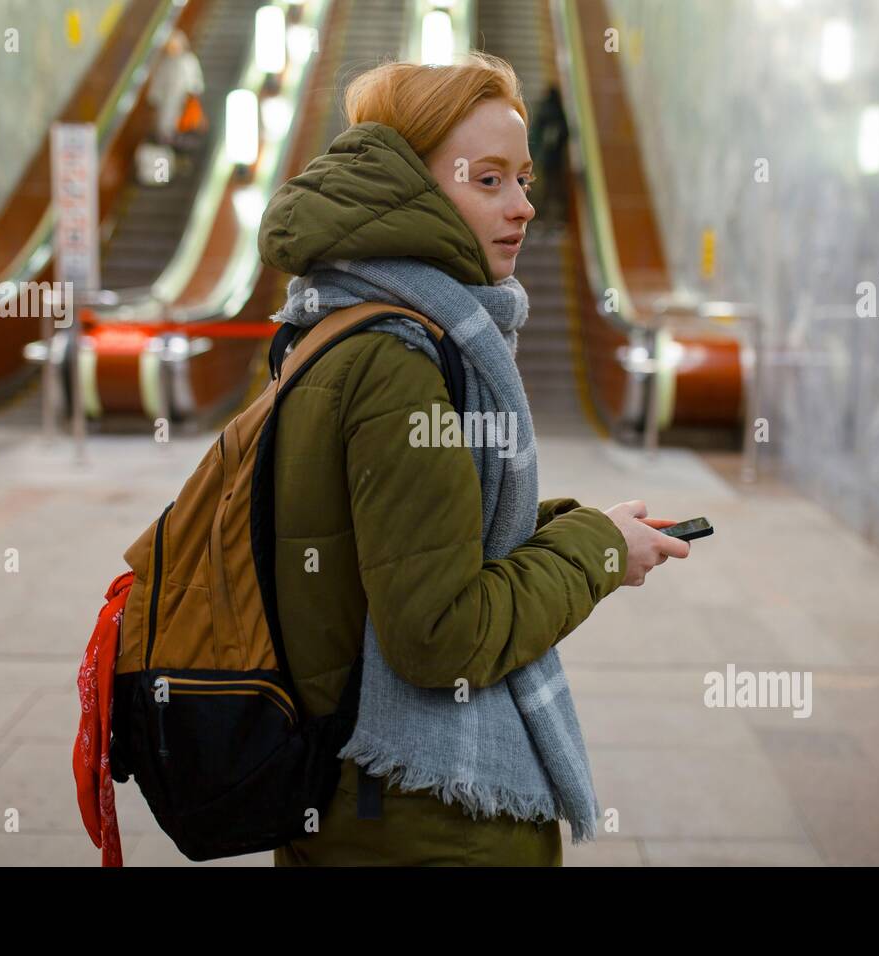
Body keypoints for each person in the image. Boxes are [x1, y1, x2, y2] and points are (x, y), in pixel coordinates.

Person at [256, 52, 688, 866]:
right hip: (425, 816)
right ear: (406, 186)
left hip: (361, 800)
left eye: (523, 178)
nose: (524, 206)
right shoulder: (402, 358)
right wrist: (596, 556)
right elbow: (437, 637)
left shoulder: (338, 317)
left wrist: (582, 528)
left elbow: (395, 545)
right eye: (487, 180)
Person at [145, 30, 204, 148]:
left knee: (169, 128)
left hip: (181, 107)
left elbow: (195, 86)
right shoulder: (165, 64)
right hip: (167, 107)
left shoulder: (189, 61)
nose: (172, 48)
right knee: (165, 127)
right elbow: (157, 89)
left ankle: (167, 145)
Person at [528, 84, 569, 226]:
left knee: (542, 186)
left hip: (542, 158)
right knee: (553, 186)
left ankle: (541, 215)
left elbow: (536, 134)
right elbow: (565, 133)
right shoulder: (558, 112)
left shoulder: (544, 111)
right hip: (555, 159)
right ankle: (556, 215)